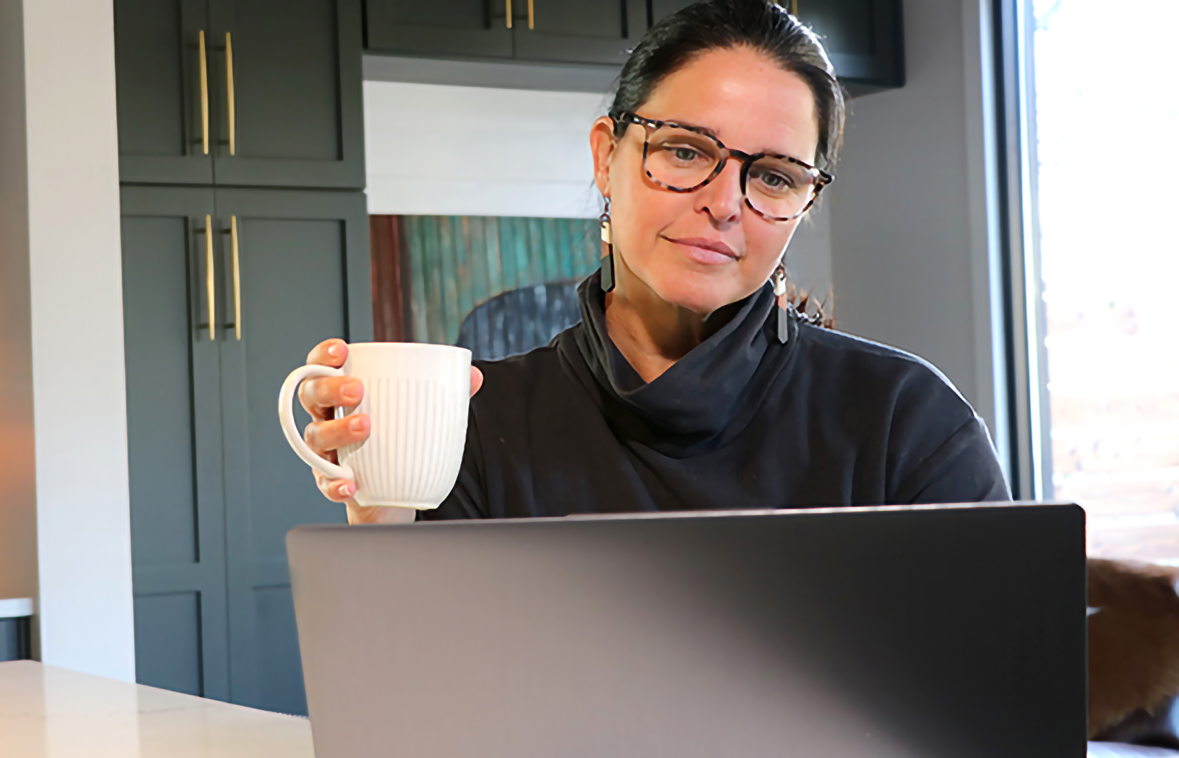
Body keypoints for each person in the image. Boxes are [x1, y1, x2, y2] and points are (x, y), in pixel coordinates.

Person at [297, 0, 1010, 525]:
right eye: (685, 151)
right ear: (608, 157)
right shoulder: (480, 425)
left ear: (804, 203)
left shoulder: (905, 421)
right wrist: (381, 503)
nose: (725, 203)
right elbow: (418, 697)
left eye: (773, 176)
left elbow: (994, 693)